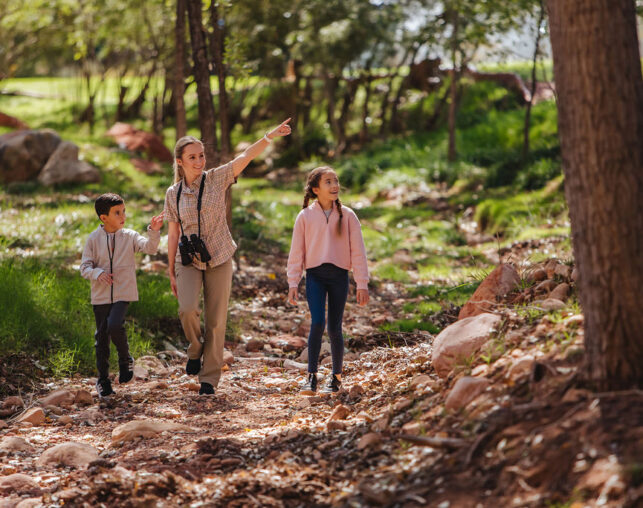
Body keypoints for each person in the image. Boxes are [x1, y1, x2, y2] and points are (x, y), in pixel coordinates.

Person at [165, 119, 292, 395]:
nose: (199, 161)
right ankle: (195, 349)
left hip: (220, 255)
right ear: (179, 162)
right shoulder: (172, 194)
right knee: (187, 309)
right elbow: (173, 233)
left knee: (216, 318)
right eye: (192, 157)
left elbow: (245, 156)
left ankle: (209, 379)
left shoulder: (217, 178)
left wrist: (269, 136)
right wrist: (169, 267)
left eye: (201, 155)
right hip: (187, 259)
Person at [287, 166, 369, 393]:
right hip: (315, 277)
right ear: (315, 189)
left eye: (336, 181)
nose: (334, 186)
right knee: (316, 323)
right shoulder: (305, 216)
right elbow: (297, 252)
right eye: (328, 182)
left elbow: (358, 251)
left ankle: (336, 377)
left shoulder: (348, 215)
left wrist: (362, 283)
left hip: (339, 277)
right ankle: (311, 376)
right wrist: (293, 282)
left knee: (334, 328)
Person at [80, 193, 164, 398]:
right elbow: (84, 267)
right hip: (100, 296)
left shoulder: (130, 236)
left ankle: (125, 360)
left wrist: (153, 231)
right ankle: (103, 381)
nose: (122, 216)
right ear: (103, 218)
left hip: (123, 292)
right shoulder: (93, 239)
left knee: (115, 324)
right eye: (117, 212)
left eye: (123, 211)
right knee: (101, 339)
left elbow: (150, 248)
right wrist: (97, 274)